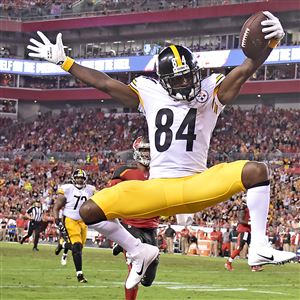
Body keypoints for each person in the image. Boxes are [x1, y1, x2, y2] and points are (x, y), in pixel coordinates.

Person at [27, 11, 295, 288]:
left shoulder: (210, 91)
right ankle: (138, 250)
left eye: (188, 77)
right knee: (89, 211)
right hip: (155, 189)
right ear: (164, 80)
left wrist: (272, 43)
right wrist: (65, 61)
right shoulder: (148, 91)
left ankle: (259, 247)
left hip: (197, 185)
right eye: (177, 80)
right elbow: (104, 83)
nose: (185, 84)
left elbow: (246, 68)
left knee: (256, 170)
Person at [108, 136, 159, 300]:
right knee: (135, 272)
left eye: (149, 150)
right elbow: (111, 198)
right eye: (144, 150)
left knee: (148, 280)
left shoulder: (160, 172)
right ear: (136, 151)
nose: (147, 153)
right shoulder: (124, 172)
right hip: (130, 225)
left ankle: (119, 244)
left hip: (151, 227)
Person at [53, 169, 95, 283]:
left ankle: (63, 244)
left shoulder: (91, 190)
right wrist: (57, 220)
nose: (80, 180)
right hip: (70, 219)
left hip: (83, 221)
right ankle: (80, 275)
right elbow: (56, 207)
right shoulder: (67, 189)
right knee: (76, 247)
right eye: (77, 178)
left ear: (85, 180)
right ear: (73, 179)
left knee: (80, 247)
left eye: (82, 178)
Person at [225, 199, 264, 272]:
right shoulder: (243, 207)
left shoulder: (248, 207)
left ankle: (254, 266)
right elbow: (240, 220)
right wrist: (250, 223)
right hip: (244, 230)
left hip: (247, 230)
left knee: (252, 248)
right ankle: (228, 263)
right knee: (239, 248)